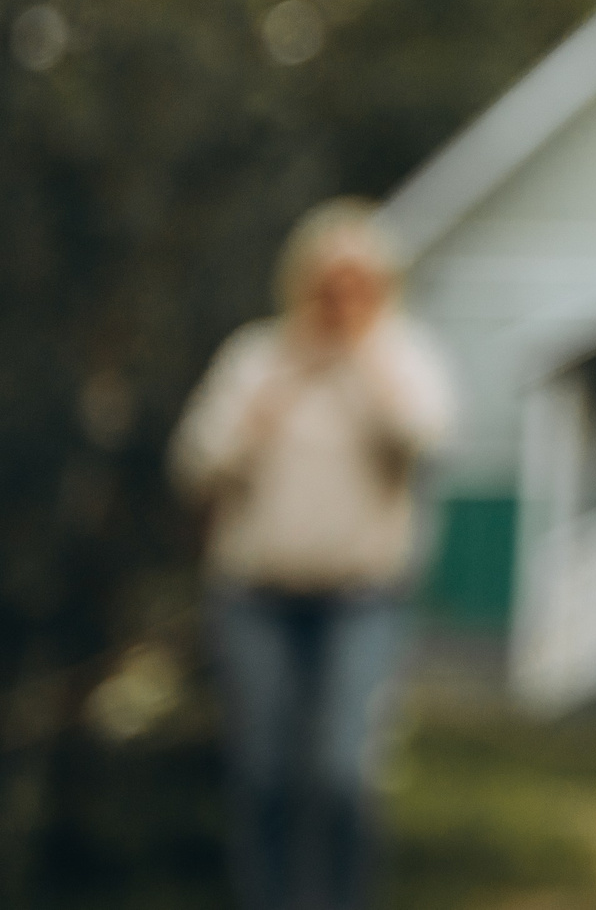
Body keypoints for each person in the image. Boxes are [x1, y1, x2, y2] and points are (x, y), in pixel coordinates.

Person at [172, 199, 453, 910]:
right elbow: (195, 464)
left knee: (340, 775)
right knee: (264, 775)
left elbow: (426, 439)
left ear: (382, 287)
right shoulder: (256, 358)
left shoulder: (403, 357)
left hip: (362, 600)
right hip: (254, 598)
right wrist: (265, 407)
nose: (340, 298)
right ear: (299, 282)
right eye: (328, 283)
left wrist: (365, 358)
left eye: (358, 284)